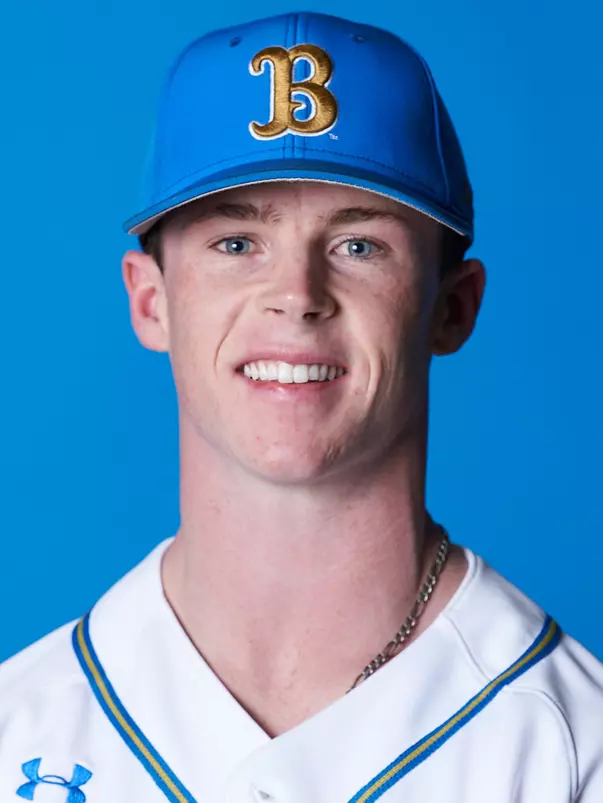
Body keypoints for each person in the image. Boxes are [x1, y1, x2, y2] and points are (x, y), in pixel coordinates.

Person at [1, 10, 601, 803]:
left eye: (359, 245)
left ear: (451, 307)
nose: (295, 296)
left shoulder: (572, 748)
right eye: (236, 243)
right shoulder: (20, 729)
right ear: (150, 302)